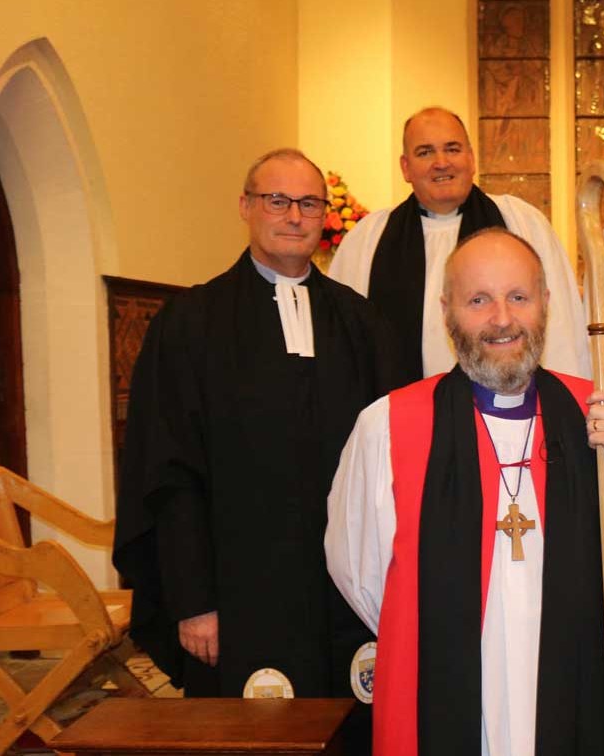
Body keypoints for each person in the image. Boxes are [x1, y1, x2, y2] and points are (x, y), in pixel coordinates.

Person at [325, 228, 604, 755]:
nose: (502, 319)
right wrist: (441, 629)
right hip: (443, 689)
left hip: (573, 680)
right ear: (446, 311)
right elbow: (359, 571)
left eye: (518, 297)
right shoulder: (389, 426)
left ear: (546, 303)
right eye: (478, 300)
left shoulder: (600, 413)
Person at [114, 149, 403, 747]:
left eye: (309, 203)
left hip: (348, 599)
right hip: (239, 597)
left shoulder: (364, 325)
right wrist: (193, 600)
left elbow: (395, 470)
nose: (294, 216)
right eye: (277, 200)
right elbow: (169, 473)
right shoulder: (189, 325)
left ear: (326, 215)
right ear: (245, 206)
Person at [328, 106, 588, 382]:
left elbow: (561, 329)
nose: (441, 162)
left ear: (472, 158)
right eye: (425, 152)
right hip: (403, 415)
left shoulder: (522, 223)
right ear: (406, 167)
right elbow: (346, 344)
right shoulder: (368, 239)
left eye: (452, 149)